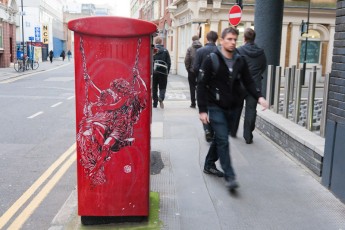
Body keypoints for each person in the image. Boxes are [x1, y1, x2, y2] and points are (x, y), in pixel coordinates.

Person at [197, 27, 268, 191]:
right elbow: (201, 85)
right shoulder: (211, 59)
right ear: (222, 40)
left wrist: (259, 97)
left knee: (219, 138)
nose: (232, 42)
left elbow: (249, 81)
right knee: (223, 139)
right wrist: (202, 110)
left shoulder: (240, 60)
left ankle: (209, 164)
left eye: (235, 39)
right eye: (229, 39)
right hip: (214, 106)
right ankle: (230, 176)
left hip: (232, 107)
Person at [234, 28, 267, 144]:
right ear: (254, 38)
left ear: (244, 38)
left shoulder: (239, 51)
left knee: (237, 108)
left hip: (240, 85)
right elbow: (263, 66)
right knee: (251, 110)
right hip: (254, 86)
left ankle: (233, 130)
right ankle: (248, 136)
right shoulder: (261, 52)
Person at [193, 31, 219, 142]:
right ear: (216, 39)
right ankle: (213, 129)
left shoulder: (200, 51)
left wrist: (197, 78)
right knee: (214, 107)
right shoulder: (220, 51)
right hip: (217, 86)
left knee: (204, 107)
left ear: (207, 38)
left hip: (203, 84)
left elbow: (195, 67)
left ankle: (207, 130)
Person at [152, 37, 171, 109]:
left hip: (154, 72)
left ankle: (155, 103)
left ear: (155, 42)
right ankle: (161, 97)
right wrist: (167, 72)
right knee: (162, 87)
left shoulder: (153, 50)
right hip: (163, 72)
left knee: (154, 87)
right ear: (161, 42)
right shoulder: (165, 51)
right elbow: (169, 62)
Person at [184, 35, 202, 108]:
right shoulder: (203, 48)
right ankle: (200, 103)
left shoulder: (190, 49)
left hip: (192, 71)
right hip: (201, 71)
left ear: (192, 40)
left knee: (192, 87)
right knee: (200, 87)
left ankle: (193, 103)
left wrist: (188, 69)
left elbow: (187, 60)